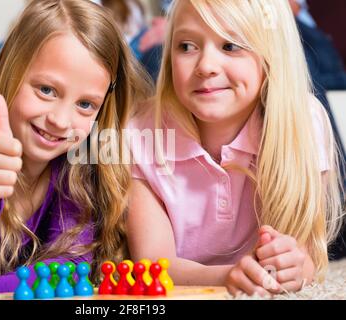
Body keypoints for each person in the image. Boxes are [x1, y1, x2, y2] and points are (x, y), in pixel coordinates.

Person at [0, 0, 151, 300]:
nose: (60, 121)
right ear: (9, 67)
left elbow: (69, 268)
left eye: (85, 105)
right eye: (46, 90)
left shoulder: (81, 162)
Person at [127, 0, 344, 297]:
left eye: (230, 46)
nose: (205, 66)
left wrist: (294, 265)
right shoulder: (139, 132)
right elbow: (151, 264)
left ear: (270, 54)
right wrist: (229, 275)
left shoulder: (302, 121)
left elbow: (307, 256)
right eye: (187, 46)